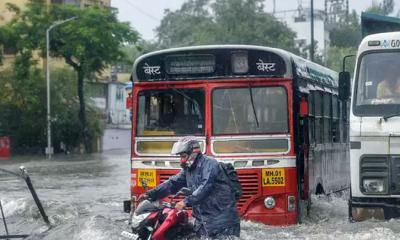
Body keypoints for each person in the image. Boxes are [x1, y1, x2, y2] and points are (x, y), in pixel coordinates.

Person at [139, 136, 240, 238]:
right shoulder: (189, 170)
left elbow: (204, 188)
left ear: (193, 154)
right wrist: (151, 194)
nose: (181, 161)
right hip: (203, 221)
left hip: (222, 221)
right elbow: (172, 183)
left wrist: (185, 202)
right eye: (180, 157)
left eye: (183, 156)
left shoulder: (210, 164)